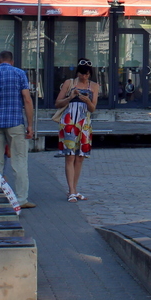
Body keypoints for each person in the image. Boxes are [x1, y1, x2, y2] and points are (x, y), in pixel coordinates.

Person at [0, 51, 35, 209]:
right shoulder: (19, 74)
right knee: (20, 161)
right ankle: (21, 199)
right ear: (12, 60)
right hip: (15, 122)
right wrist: (30, 125)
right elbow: (27, 99)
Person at [53, 58, 99, 202]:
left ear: (90, 74)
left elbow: (93, 108)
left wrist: (87, 101)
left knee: (80, 157)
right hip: (69, 121)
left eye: (86, 74)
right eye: (81, 73)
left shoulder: (94, 86)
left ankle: (75, 189)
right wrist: (70, 97)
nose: (83, 76)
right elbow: (57, 103)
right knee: (70, 156)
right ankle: (71, 191)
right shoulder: (69, 83)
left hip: (84, 122)